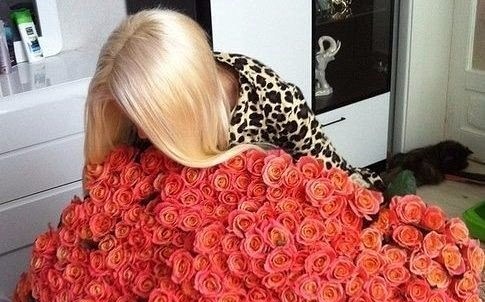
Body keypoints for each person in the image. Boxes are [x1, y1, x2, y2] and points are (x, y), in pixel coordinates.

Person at [84, 8, 384, 189]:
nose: (141, 134)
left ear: (191, 103)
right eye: (134, 118)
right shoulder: (141, 98)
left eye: (151, 119)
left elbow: (339, 176)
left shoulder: (272, 98)